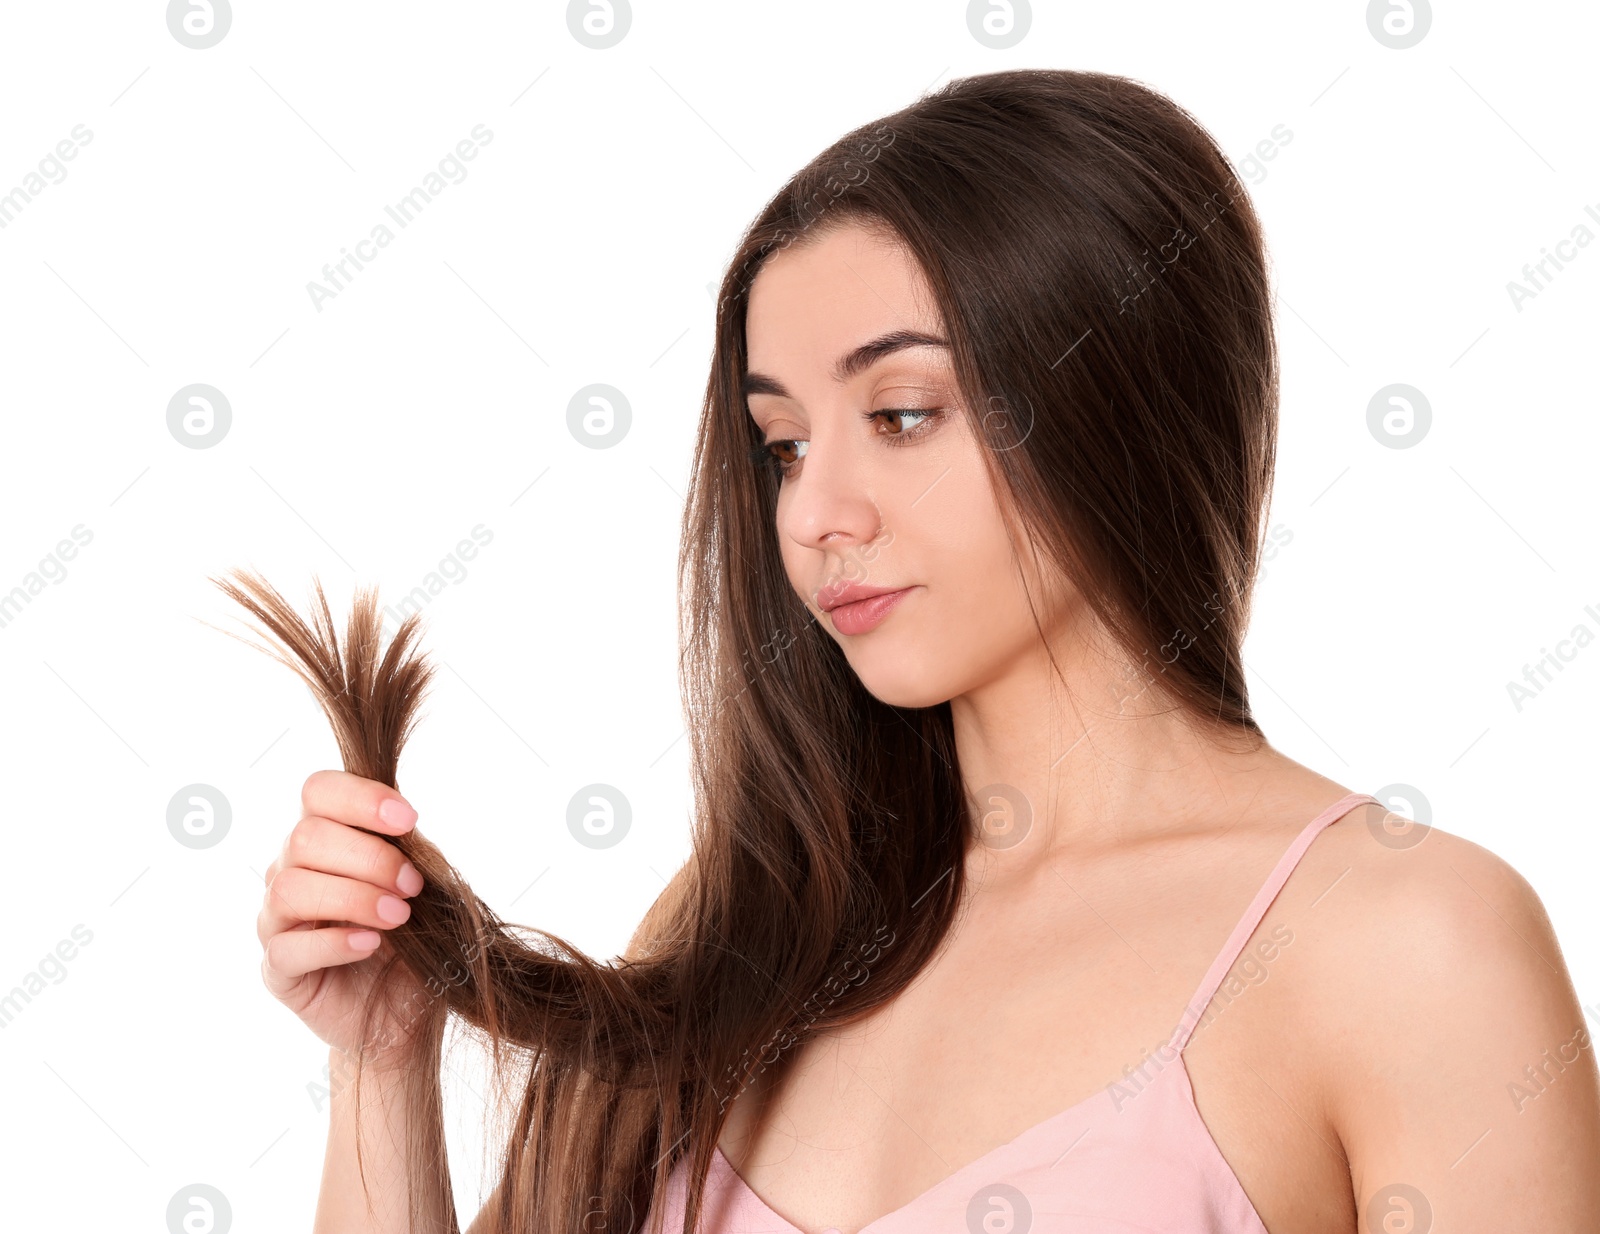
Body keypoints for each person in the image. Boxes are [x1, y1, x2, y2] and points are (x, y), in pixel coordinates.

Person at [251, 68, 1600, 1233]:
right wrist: (382, 1065)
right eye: (782, 443)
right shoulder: (747, 926)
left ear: (1116, 399)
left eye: (900, 413)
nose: (815, 513)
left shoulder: (1411, 942)